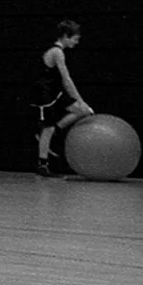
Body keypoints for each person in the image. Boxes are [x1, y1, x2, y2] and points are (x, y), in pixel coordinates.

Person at [30, 19, 92, 177]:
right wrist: (80, 101)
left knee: (81, 112)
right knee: (48, 127)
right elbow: (66, 79)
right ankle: (42, 165)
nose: (76, 43)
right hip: (45, 94)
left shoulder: (59, 51)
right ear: (65, 36)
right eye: (75, 39)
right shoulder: (57, 52)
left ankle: (49, 134)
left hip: (55, 92)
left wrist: (81, 105)